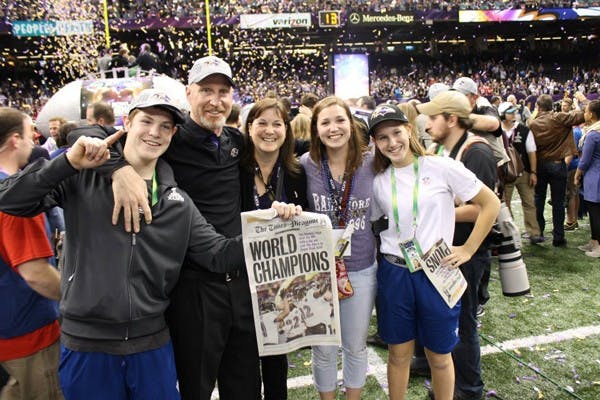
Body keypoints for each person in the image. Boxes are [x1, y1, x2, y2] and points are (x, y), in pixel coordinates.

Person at [0, 90, 301, 400]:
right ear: (128, 122)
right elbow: (8, 199)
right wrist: (68, 163)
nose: (154, 132)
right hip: (88, 344)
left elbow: (218, 255)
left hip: (151, 344)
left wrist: (271, 228)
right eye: (146, 120)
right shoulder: (82, 178)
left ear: (173, 133)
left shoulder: (177, 203)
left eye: (165, 125)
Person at [109, 56, 260, 400]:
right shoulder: (169, 137)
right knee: (195, 385)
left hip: (239, 278)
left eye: (223, 91)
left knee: (245, 383)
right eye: (206, 90)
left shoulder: (235, 142)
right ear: (189, 93)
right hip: (192, 286)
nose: (215, 99)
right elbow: (93, 136)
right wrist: (117, 168)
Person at [369, 103, 499, 400]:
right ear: (375, 143)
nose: (392, 143)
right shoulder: (377, 181)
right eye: (382, 138)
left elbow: (490, 203)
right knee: (398, 355)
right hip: (394, 271)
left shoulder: (441, 166)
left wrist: (468, 249)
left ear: (409, 130)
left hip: (436, 270)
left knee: (439, 355)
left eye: (396, 133)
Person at [416, 91, 500, 400]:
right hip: (446, 250)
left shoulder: (476, 152)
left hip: (465, 251)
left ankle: (469, 390)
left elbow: (484, 207)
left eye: (434, 118)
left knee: (463, 325)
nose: (427, 125)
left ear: (452, 119)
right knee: (443, 319)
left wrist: (464, 247)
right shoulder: (444, 149)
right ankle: (443, 376)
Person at [300, 96, 377, 400]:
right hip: (319, 272)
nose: (334, 128)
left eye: (339, 120)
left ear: (351, 123)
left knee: (355, 346)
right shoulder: (306, 165)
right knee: (323, 347)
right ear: (316, 129)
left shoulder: (373, 162)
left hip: (360, 268)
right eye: (325, 122)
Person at [240, 98, 308, 399]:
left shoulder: (295, 173)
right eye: (262, 123)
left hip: (279, 282)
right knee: (243, 367)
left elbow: (306, 225)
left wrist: (295, 215)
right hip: (240, 281)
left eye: (277, 123)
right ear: (249, 128)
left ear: (286, 130)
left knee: (277, 366)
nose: (270, 131)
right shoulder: (234, 170)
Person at [0, 107, 62, 400]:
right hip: (27, 340)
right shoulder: (17, 197)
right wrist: (82, 296)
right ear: (14, 140)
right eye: (29, 135)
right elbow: (37, 275)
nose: (34, 141)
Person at [529, 94, 585, 247]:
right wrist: (581, 100)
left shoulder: (533, 124)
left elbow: (530, 149)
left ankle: (538, 233)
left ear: (538, 107)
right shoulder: (560, 118)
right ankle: (558, 237)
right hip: (557, 164)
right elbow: (584, 114)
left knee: (538, 200)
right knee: (559, 202)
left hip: (540, 165)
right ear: (552, 106)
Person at [498, 102, 544, 244]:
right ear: (502, 114)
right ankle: (510, 234)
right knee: (505, 205)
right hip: (505, 174)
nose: (514, 114)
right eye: (510, 112)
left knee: (529, 202)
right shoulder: (496, 131)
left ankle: (534, 233)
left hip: (523, 172)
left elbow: (532, 152)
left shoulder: (524, 130)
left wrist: (533, 172)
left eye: (514, 111)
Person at [574, 99, 600, 258]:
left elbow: (585, 159)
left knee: (595, 211)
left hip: (594, 177)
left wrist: (577, 174)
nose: (584, 113)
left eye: (586, 111)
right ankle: (593, 240)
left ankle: (598, 246)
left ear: (591, 114)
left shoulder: (592, 134)